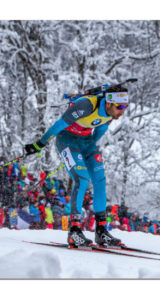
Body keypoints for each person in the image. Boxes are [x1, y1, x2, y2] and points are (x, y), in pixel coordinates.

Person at [25, 84, 130, 247]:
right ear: (109, 103)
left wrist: (89, 150)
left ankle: (101, 231)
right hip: (67, 140)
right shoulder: (86, 105)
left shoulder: (110, 114)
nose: (122, 111)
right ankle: (74, 231)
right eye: (120, 107)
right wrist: (40, 144)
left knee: (100, 180)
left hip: (86, 142)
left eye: (125, 106)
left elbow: (100, 130)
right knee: (82, 180)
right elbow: (59, 125)